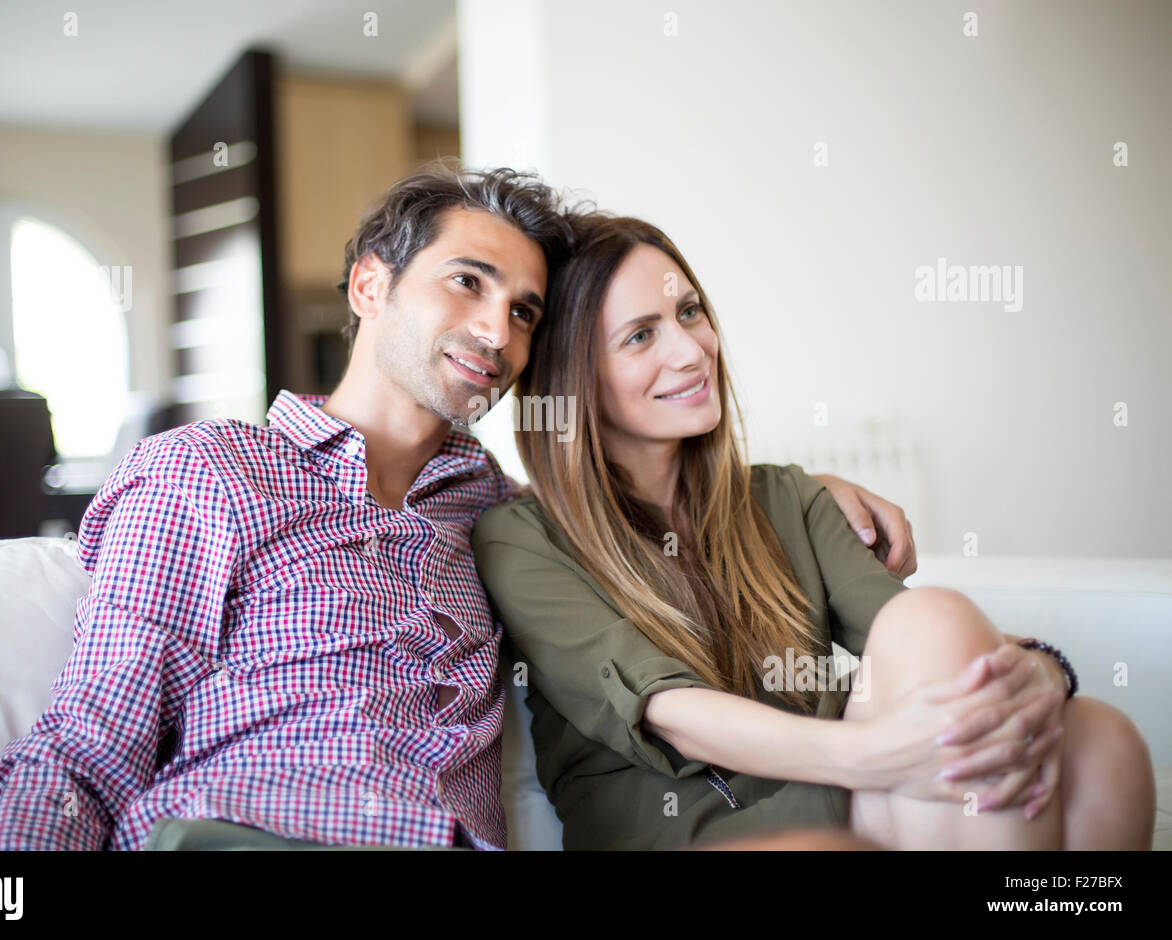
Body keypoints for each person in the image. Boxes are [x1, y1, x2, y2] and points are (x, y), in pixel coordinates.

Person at [0, 164, 920, 851]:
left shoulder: (497, 518)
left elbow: (626, 523)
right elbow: (86, 747)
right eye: (467, 282)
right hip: (248, 833)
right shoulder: (209, 473)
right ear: (370, 286)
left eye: (524, 312)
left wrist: (793, 500)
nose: (496, 331)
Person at [470, 213, 1156, 850]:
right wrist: (881, 754)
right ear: (576, 376)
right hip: (700, 827)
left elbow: (928, 643)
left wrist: (1042, 672)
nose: (690, 350)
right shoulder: (522, 539)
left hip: (842, 788)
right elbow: (668, 710)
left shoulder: (785, 497)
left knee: (1101, 741)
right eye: (641, 335)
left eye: (689, 312)